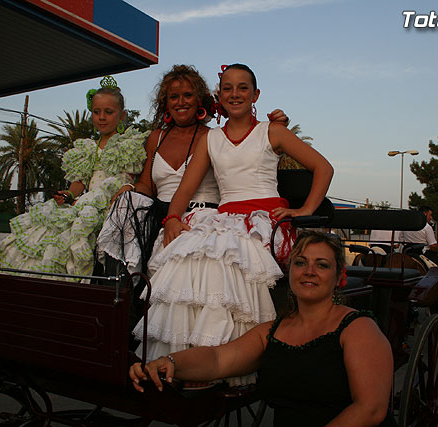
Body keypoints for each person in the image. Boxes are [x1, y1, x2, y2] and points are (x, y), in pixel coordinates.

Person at [132, 63, 333, 386]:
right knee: (189, 258)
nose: (235, 94)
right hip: (225, 217)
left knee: (221, 262)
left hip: (264, 220)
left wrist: (305, 209)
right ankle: (185, 358)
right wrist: (172, 218)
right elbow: (185, 188)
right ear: (219, 95)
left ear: (255, 94)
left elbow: (323, 167)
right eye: (227, 88)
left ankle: (224, 360)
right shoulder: (211, 138)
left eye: (242, 88)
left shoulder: (272, 131)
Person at [130, 231, 395, 427]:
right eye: (300, 262)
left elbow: (370, 409)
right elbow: (218, 358)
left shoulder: (358, 328)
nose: (309, 271)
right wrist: (169, 361)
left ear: (339, 277)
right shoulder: (272, 332)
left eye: (322, 265)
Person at [96, 65, 288, 279]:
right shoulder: (156, 138)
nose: (181, 102)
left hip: (201, 212)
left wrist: (275, 135)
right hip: (160, 211)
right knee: (125, 203)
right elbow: (147, 185)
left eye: (187, 95)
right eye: (174, 97)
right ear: (165, 102)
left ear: (199, 100)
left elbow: (243, 164)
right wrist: (129, 189)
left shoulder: (213, 136)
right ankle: (118, 285)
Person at [0, 76, 147, 280]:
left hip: (111, 207)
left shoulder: (129, 145)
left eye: (108, 112)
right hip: (84, 204)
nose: (102, 117)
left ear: (122, 114)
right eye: (96, 112)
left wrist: (111, 196)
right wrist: (68, 194)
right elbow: (79, 183)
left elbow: (125, 179)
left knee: (77, 231)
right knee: (47, 231)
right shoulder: (86, 148)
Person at [401, 206, 438, 302]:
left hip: (407, 252)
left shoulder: (407, 225)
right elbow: (433, 245)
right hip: (422, 253)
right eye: (430, 215)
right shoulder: (426, 227)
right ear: (424, 214)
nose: (431, 218)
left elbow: (401, 240)